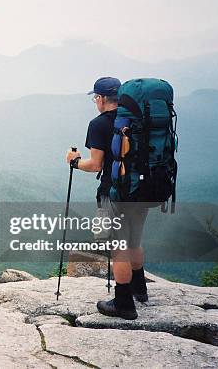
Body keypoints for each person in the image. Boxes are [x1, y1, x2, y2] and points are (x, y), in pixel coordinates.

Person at [65, 76, 148, 320]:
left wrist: (75, 162)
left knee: (118, 246)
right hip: (141, 190)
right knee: (134, 241)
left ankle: (124, 304)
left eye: (95, 98)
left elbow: (95, 165)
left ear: (100, 98)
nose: (95, 102)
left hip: (114, 193)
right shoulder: (137, 119)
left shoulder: (99, 124)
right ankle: (139, 290)